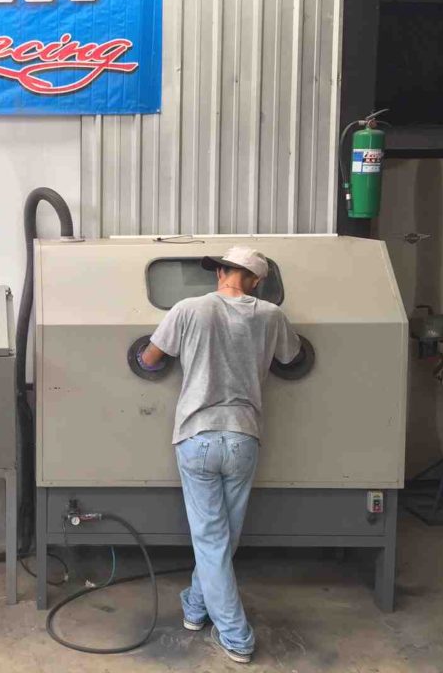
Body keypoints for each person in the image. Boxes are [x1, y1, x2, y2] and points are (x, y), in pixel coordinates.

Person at [137, 246, 304, 664]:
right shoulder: (271, 315)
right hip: (243, 437)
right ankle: (195, 607)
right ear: (256, 280)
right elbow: (294, 357)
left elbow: (150, 358)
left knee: (213, 540)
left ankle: (236, 635)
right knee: (223, 538)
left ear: (223, 273)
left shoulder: (188, 309)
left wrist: (147, 358)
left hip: (196, 437)